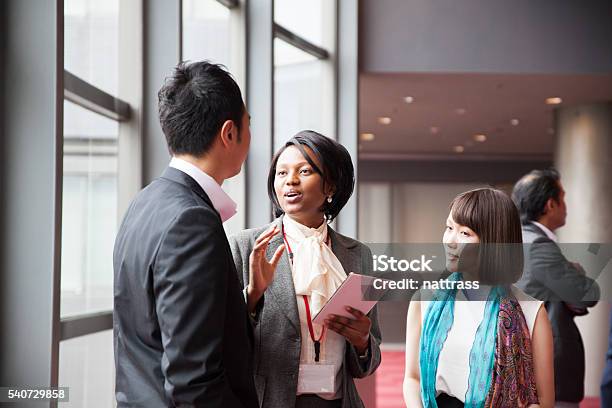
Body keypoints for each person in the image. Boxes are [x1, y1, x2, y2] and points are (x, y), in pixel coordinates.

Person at [113, 61, 259, 407]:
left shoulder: (146, 201)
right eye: (248, 124)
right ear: (229, 133)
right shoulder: (192, 221)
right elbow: (194, 382)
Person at [228, 130, 382, 408]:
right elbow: (223, 341)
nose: (291, 181)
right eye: (282, 173)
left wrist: (362, 342)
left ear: (331, 186)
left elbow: (367, 364)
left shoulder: (358, 255)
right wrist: (251, 296)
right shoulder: (247, 246)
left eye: (305, 171)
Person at [403, 188, 555, 408]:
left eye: (465, 233)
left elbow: (543, 400)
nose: (450, 241)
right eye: (449, 228)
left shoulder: (530, 310)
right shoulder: (425, 300)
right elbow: (412, 378)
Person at [512, 169, 600, 408]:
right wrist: (577, 270)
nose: (566, 206)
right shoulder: (538, 246)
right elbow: (588, 294)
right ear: (551, 204)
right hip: (547, 362)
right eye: (563, 198)